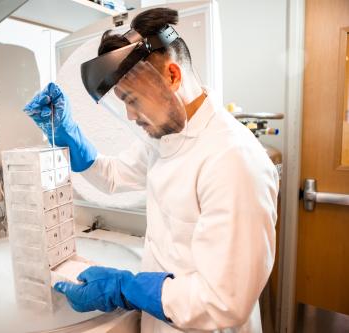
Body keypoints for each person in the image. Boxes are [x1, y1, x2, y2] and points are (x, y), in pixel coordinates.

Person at [23, 8, 279, 333]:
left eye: (132, 99)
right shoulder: (166, 137)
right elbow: (113, 176)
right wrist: (66, 134)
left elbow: (224, 300)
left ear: (172, 76)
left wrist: (125, 288)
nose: (130, 116)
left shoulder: (233, 160)